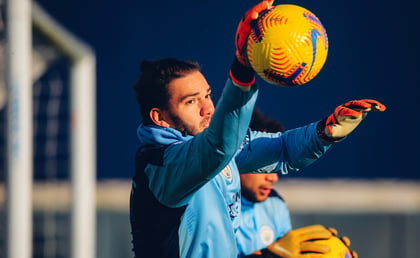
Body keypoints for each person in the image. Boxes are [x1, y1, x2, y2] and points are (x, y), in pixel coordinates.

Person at [129, 0, 386, 257]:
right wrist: (242, 67)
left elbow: (283, 150)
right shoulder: (162, 165)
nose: (208, 108)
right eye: (191, 101)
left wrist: (323, 134)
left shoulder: (210, 151)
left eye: (208, 95)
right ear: (160, 117)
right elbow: (219, 147)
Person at [236, 109, 357, 257]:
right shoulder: (210, 201)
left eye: (275, 168)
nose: (273, 178)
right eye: (264, 168)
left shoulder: (275, 205)